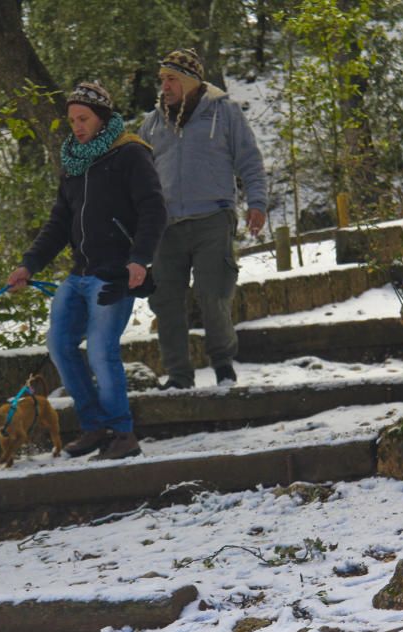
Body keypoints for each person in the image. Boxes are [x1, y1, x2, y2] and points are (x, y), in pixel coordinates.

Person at [7, 82, 167, 460]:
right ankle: (95, 426)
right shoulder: (74, 162)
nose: (77, 126)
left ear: (102, 118)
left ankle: (123, 434)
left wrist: (139, 260)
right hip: (79, 274)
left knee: (100, 350)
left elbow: (154, 210)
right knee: (60, 344)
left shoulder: (130, 154)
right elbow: (58, 223)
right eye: (72, 120)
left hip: (115, 275)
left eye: (84, 118)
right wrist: (27, 265)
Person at [138, 48, 267, 389]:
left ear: (191, 81)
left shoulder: (224, 113)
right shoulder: (151, 123)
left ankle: (223, 365)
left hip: (213, 217)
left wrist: (257, 202)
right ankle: (179, 376)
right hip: (166, 228)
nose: (164, 86)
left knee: (214, 295)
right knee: (165, 303)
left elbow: (249, 160)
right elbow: (139, 177)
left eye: (172, 79)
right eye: (162, 79)